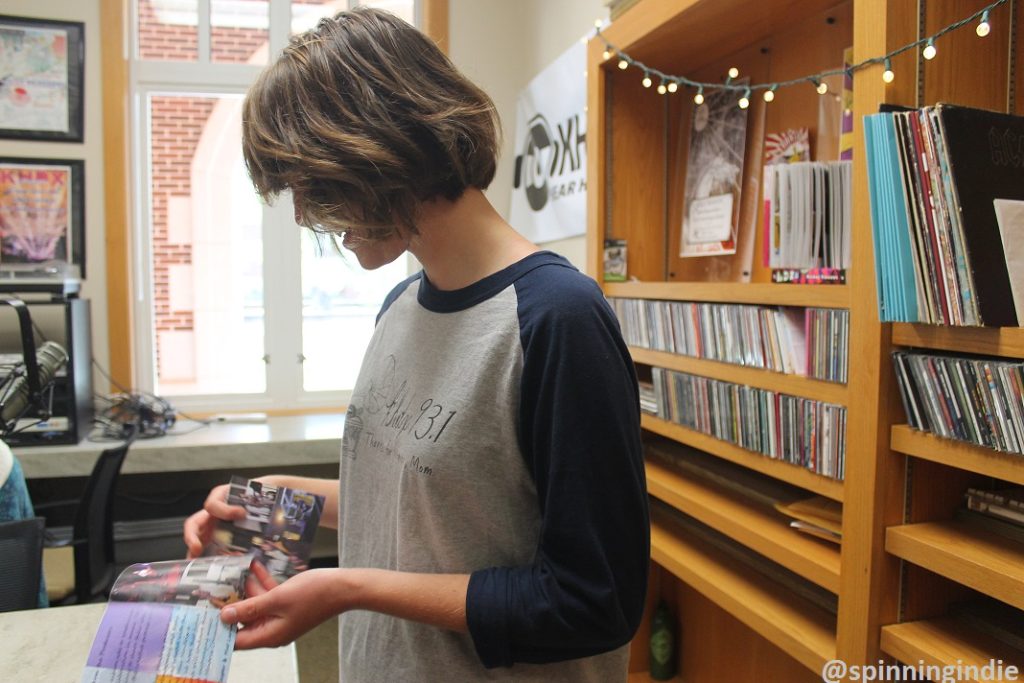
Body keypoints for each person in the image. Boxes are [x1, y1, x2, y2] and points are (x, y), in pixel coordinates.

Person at [183, 7, 649, 681]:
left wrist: (347, 587)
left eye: (313, 185)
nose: (307, 214)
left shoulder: (558, 321)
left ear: (375, 151)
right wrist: (272, 498)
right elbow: (421, 500)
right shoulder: (400, 306)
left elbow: (592, 601)